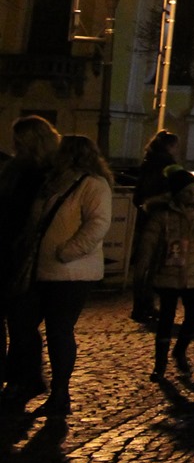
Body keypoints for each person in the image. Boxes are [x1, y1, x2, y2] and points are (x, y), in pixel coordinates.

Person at [28, 135, 114, 417]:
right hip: (44, 269)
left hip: (71, 272)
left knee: (59, 331)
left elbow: (97, 225)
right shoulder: (54, 184)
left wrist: (67, 251)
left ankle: (59, 392)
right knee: (30, 325)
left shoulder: (93, 185)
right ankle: (33, 382)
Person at [133, 168, 194, 380]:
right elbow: (148, 243)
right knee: (166, 318)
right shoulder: (163, 214)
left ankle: (180, 351)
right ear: (176, 193)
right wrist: (141, 272)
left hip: (193, 272)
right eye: (187, 191)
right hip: (167, 272)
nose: (193, 195)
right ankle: (159, 365)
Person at [0, 117, 61, 406]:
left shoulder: (42, 175)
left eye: (21, 140)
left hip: (24, 255)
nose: (16, 146)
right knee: (18, 322)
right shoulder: (17, 170)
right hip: (11, 252)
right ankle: (20, 377)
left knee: (21, 322)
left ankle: (23, 378)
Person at [128, 129, 180, 325]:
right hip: (159, 218)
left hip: (143, 217)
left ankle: (138, 306)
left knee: (142, 264)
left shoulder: (147, 162)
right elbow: (174, 192)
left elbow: (137, 196)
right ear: (170, 146)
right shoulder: (169, 165)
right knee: (153, 264)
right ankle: (146, 304)